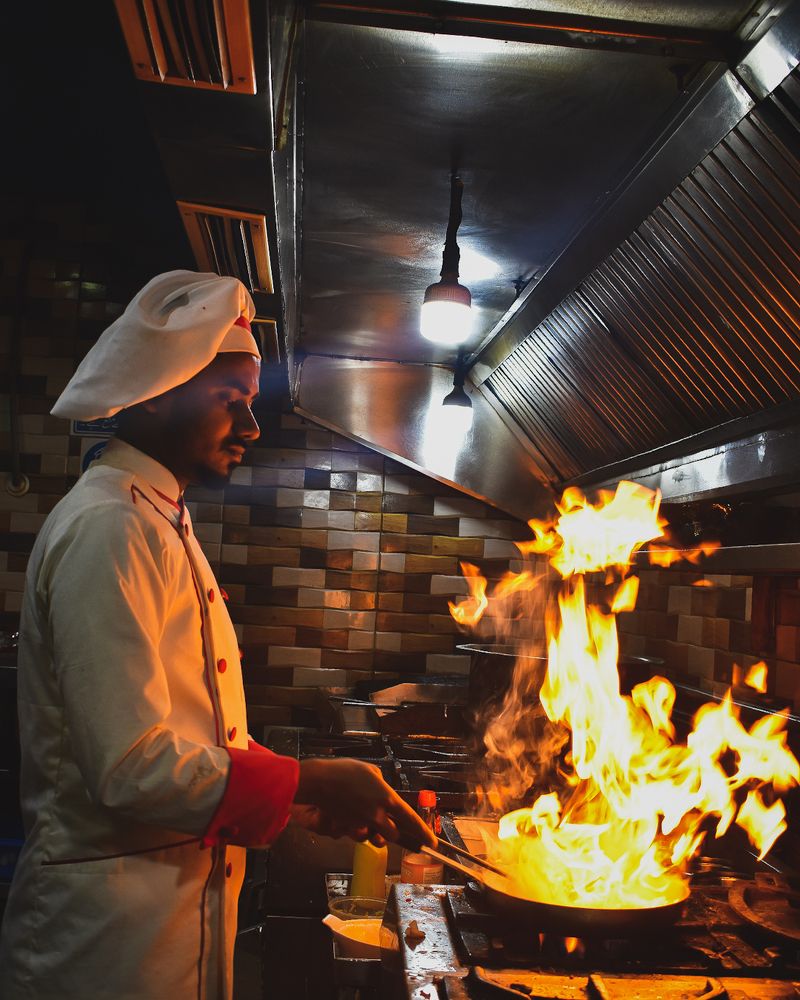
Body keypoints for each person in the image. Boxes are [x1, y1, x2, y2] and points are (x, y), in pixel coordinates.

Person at [0, 271, 433, 1000]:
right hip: (107, 948)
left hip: (163, 926)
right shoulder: (113, 526)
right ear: (160, 394)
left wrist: (297, 796)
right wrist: (308, 777)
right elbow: (130, 766)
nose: (253, 429)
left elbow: (193, 736)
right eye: (231, 404)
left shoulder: (158, 516)